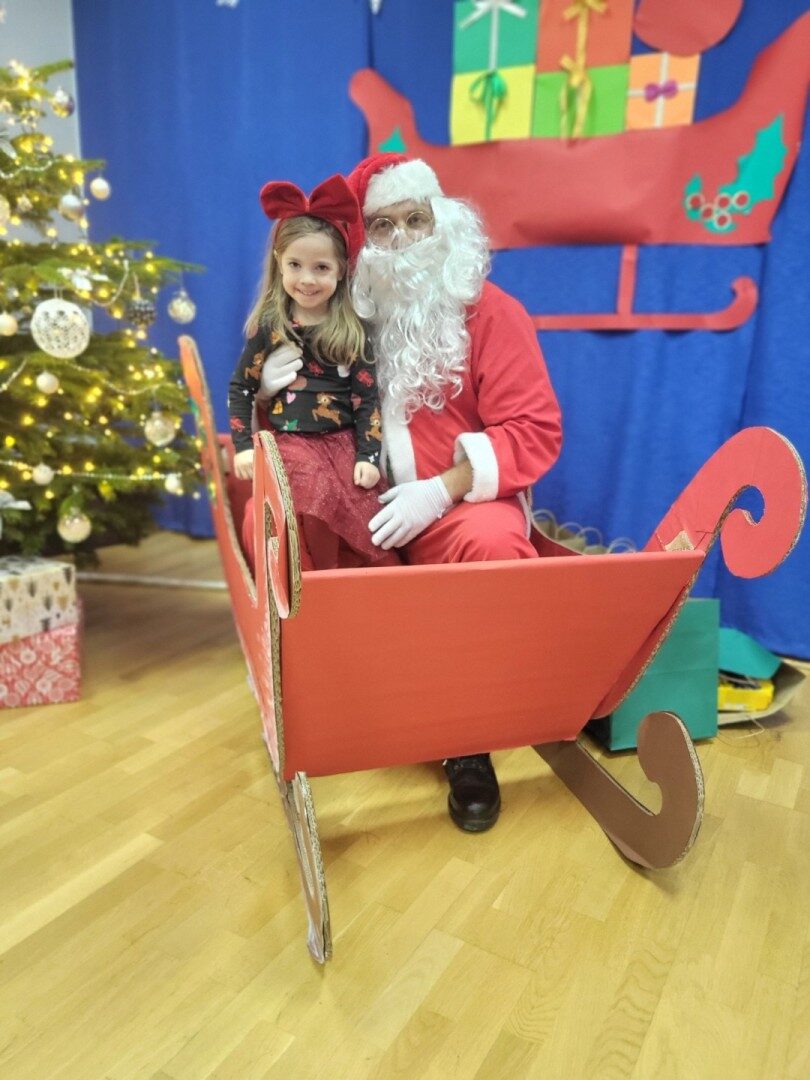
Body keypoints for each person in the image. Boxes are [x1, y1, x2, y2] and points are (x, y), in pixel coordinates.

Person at [347, 153, 563, 832]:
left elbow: (532, 430)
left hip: (454, 510)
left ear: (443, 221)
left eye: (416, 219)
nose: (404, 238)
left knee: (495, 544)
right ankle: (333, 702)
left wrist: (438, 493)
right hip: (366, 507)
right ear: (365, 242)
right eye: (384, 226)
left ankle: (469, 738)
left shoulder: (493, 313)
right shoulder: (349, 319)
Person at [228, 174, 398, 572]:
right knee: (309, 494)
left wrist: (368, 454)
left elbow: (366, 400)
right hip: (289, 444)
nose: (307, 279)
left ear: (340, 270)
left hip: (341, 444)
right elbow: (242, 387)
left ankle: (348, 587)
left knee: (364, 513)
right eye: (295, 265)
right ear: (279, 262)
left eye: (321, 267)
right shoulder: (270, 326)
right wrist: (242, 446)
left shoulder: (353, 330)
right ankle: (309, 585)